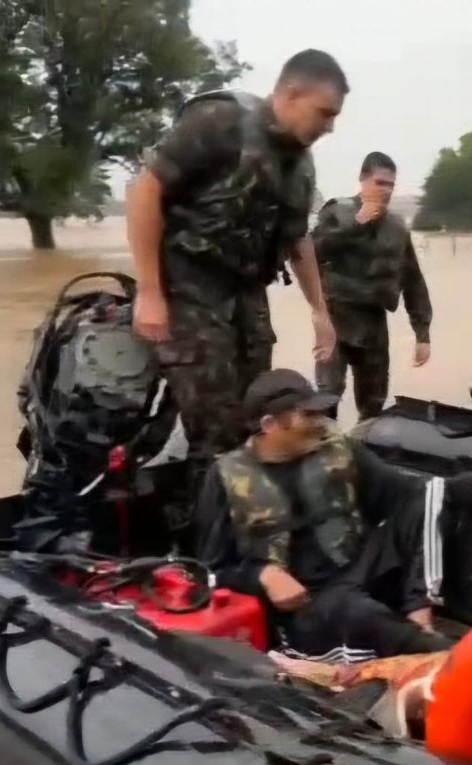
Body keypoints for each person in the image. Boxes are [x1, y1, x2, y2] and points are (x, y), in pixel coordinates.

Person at [126, 49, 346, 515]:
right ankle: (205, 545)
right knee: (217, 429)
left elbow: (297, 241)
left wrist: (320, 312)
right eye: (324, 113)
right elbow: (147, 190)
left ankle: (249, 522)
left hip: (248, 292)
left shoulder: (300, 166)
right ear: (290, 93)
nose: (328, 127)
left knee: (259, 417)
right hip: (190, 284)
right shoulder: (219, 122)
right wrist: (149, 291)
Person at [194, 368, 472, 660]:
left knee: (427, 497)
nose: (319, 422)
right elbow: (211, 570)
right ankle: (444, 654)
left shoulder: (340, 450)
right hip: (312, 602)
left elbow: (407, 492)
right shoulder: (226, 478)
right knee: (356, 612)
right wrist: (263, 576)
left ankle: (418, 609)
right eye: (306, 416)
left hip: (362, 565)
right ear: (269, 424)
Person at [312, 151, 433, 421]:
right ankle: (326, 456)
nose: (386, 189)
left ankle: (362, 454)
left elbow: (412, 279)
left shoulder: (397, 227)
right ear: (363, 180)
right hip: (335, 318)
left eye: (391, 184)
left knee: (374, 402)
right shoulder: (337, 212)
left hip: (374, 322)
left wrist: (422, 333)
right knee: (326, 397)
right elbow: (311, 253)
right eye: (380, 182)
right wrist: (358, 224)